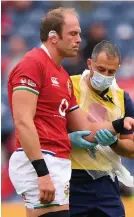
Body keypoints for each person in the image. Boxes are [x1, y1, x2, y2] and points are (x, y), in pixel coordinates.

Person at [8, 8, 134, 217]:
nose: (79, 40)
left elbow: (85, 128)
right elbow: (23, 122)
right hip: (43, 162)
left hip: (59, 164)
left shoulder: (63, 77)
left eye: (79, 33)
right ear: (53, 37)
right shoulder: (32, 64)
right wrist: (42, 172)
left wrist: (119, 125)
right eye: (73, 33)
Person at [69, 40, 134, 217]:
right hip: (72, 179)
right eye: (101, 69)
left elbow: (130, 150)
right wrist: (68, 138)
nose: (105, 75)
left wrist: (114, 142)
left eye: (111, 71)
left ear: (118, 68)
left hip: (106, 182)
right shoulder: (69, 86)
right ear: (90, 63)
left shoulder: (123, 98)